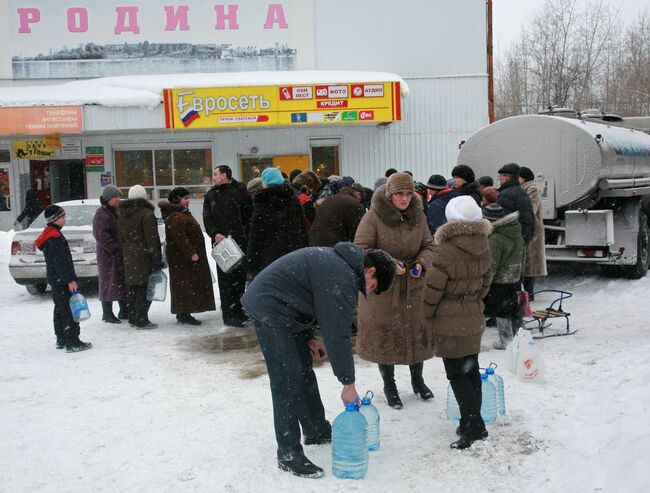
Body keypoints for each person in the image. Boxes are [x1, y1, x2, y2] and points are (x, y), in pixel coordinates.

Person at [241, 243, 396, 478]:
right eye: (373, 288)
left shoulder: (340, 265)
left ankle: (315, 430)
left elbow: (308, 299)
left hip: (286, 309)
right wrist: (348, 384)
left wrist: (309, 337)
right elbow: (337, 333)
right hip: (269, 308)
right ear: (370, 271)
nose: (369, 292)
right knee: (287, 378)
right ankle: (288, 453)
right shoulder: (340, 274)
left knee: (303, 370)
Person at [354, 172, 436, 409]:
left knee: (415, 333)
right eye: (399, 194)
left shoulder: (418, 216)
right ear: (390, 194)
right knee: (386, 335)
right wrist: (388, 264)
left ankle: (417, 380)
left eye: (408, 194)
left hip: (413, 287)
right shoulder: (372, 217)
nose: (404, 199)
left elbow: (430, 245)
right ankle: (389, 385)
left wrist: (421, 262)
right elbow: (361, 248)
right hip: (384, 288)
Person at [424, 195, 493, 449]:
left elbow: (433, 290)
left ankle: (474, 426)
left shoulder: (444, 250)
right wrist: (472, 299)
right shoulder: (485, 244)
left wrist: (427, 314)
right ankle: (471, 422)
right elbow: (487, 282)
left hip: (448, 319)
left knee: (457, 374)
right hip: (473, 314)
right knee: (471, 369)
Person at [35, 205, 92, 352]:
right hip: (62, 280)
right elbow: (62, 262)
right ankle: (72, 342)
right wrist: (70, 280)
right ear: (54, 219)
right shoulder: (55, 237)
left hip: (55, 279)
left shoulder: (50, 234)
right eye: (62, 217)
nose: (64, 220)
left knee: (60, 309)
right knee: (68, 310)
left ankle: (61, 339)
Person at [203, 165, 252, 327]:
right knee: (225, 280)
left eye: (215, 174)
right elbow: (207, 218)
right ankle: (229, 314)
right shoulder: (211, 195)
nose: (213, 177)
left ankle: (238, 309)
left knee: (239, 278)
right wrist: (214, 233)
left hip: (240, 241)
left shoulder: (240, 191)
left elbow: (248, 214)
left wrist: (245, 234)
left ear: (224, 175)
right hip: (222, 244)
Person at [159, 187, 215, 325]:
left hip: (183, 259)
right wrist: (191, 253)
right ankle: (184, 313)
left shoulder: (181, 213)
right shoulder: (176, 216)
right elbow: (180, 237)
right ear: (177, 200)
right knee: (184, 285)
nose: (188, 201)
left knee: (186, 284)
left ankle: (184, 312)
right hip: (182, 259)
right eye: (185, 198)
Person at [246, 167, 308, 279]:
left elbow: (256, 235)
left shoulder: (262, 201)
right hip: (292, 254)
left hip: (268, 256)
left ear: (265, 182)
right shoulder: (293, 199)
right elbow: (302, 229)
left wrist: (251, 262)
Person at [117, 185, 163, 329]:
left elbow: (121, 236)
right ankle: (141, 319)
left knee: (132, 287)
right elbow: (152, 239)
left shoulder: (122, 214)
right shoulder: (146, 214)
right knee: (144, 288)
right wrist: (156, 258)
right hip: (143, 256)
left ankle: (132, 317)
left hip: (128, 255)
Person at [482, 203, 525, 349]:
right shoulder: (515, 230)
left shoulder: (495, 238)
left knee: (501, 309)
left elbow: (491, 265)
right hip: (515, 275)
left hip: (500, 280)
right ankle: (520, 336)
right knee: (514, 307)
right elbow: (523, 254)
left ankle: (505, 340)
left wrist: (485, 282)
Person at [92, 185, 128, 324]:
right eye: (115, 197)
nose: (118, 199)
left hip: (117, 253)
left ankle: (123, 310)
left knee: (119, 282)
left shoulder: (114, 211)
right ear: (108, 199)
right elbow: (100, 234)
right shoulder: (102, 214)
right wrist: (114, 248)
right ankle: (107, 313)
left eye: (119, 196)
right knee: (108, 283)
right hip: (108, 255)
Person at [519, 166, 547, 299]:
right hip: (527, 229)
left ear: (523, 177)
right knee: (526, 263)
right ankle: (526, 294)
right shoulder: (521, 189)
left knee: (530, 264)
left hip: (533, 230)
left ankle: (529, 294)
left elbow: (531, 209)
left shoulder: (532, 189)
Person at [496, 163, 534, 245]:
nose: (499, 178)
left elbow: (501, 219)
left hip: (510, 239)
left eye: (502, 175)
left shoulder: (505, 194)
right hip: (522, 238)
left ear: (507, 177)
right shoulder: (522, 192)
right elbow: (530, 218)